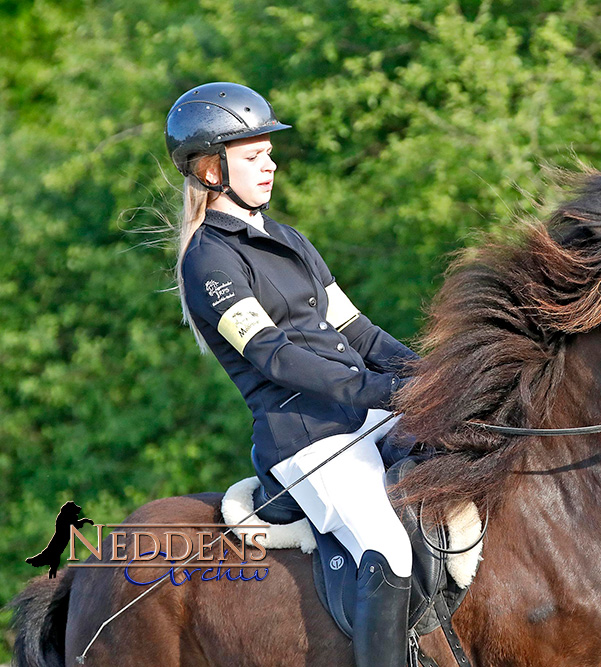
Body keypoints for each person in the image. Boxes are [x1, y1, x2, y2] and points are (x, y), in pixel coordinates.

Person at [165, 81, 417, 667]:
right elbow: (273, 355)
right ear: (210, 171)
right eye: (253, 157)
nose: (270, 165)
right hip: (307, 437)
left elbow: (360, 333)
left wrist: (435, 377)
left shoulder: (289, 240)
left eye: (269, 153)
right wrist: (381, 389)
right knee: (388, 546)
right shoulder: (210, 259)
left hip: (363, 414)